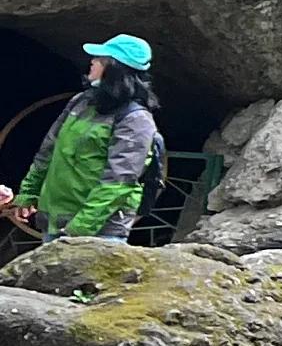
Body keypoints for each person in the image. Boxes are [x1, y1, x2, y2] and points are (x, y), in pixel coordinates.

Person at [0, 36, 164, 245]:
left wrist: (79, 229)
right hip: (55, 221)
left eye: (98, 59)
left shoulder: (135, 120)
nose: (92, 62)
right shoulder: (82, 102)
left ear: (114, 68)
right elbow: (48, 151)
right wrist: (28, 194)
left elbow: (118, 181)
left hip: (99, 231)